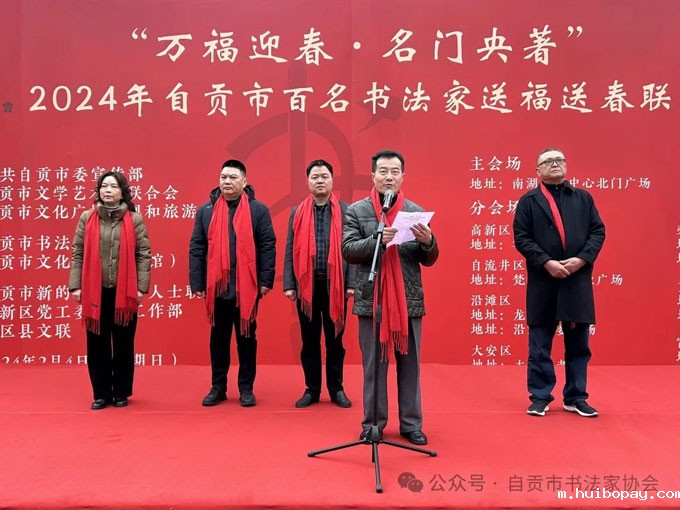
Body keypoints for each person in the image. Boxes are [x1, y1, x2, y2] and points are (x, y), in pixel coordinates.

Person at [342, 150, 439, 445]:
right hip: (372, 300)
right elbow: (348, 249)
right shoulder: (357, 211)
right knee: (374, 367)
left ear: (402, 177)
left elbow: (429, 258)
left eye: (394, 172)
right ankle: (373, 424)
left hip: (408, 301)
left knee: (410, 366)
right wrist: (376, 240)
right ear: (373, 176)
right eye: (383, 171)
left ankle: (411, 424)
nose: (389, 177)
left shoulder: (415, 211)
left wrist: (428, 242)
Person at [513, 148, 605, 418]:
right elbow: (522, 238)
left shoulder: (583, 198)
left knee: (579, 345)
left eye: (559, 160)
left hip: (576, 280)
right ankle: (540, 397)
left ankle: (576, 397)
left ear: (566, 165)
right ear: (537, 171)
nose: (554, 164)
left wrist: (582, 259)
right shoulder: (528, 202)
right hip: (544, 281)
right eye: (548, 161)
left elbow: (598, 231)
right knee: (540, 344)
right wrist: (546, 262)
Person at [189, 159, 276, 407]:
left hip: (247, 286)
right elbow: (197, 247)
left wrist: (265, 280)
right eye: (223, 177)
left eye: (233, 177)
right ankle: (218, 387)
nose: (227, 181)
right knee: (218, 339)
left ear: (244, 181)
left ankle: (246, 388)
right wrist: (198, 282)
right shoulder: (206, 211)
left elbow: (267, 246)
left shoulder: (258, 210)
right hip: (217, 286)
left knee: (246, 338)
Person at [69, 171, 151, 410]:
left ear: (122, 192)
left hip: (124, 293)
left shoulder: (134, 220)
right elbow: (77, 252)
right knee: (97, 343)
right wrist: (76, 285)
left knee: (124, 343)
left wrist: (140, 287)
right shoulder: (87, 218)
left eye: (113, 186)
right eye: (104, 186)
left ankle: (121, 392)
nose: (108, 190)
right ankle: (101, 393)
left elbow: (143, 254)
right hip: (95, 291)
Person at [283, 159, 356, 409]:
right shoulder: (297, 212)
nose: (320, 180)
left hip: (336, 286)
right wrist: (289, 283)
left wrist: (351, 283)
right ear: (308, 182)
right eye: (315, 177)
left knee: (335, 341)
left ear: (332, 180)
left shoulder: (346, 211)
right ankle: (312, 389)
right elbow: (290, 249)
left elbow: (352, 249)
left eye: (324, 176)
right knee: (309, 341)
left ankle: (336, 389)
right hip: (307, 287)